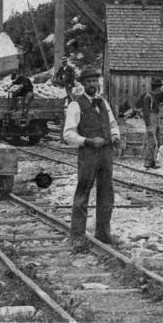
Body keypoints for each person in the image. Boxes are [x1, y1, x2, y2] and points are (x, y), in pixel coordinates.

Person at [62, 67, 122, 247]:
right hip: (88, 154)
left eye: (94, 81)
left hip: (106, 154)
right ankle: (77, 237)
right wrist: (88, 141)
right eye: (88, 82)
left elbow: (113, 124)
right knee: (83, 193)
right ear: (82, 84)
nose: (92, 85)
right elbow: (68, 135)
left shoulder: (103, 103)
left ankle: (103, 234)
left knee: (106, 193)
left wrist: (116, 137)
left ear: (98, 82)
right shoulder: (75, 105)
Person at [140, 77, 163, 169]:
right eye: (159, 87)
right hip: (151, 122)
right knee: (151, 142)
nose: (160, 89)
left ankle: (152, 162)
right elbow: (145, 112)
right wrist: (148, 125)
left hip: (156, 120)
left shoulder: (155, 96)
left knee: (157, 141)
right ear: (157, 87)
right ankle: (147, 162)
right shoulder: (148, 97)